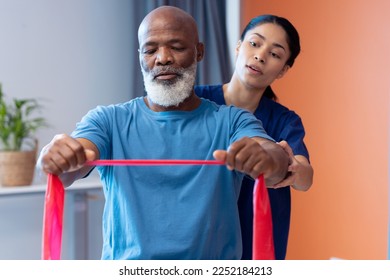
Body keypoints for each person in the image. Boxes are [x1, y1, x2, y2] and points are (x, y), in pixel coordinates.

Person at [37, 6, 289, 260]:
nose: (163, 58)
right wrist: (59, 156)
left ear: (199, 52)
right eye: (150, 50)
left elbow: (274, 162)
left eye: (177, 47)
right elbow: (71, 166)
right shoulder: (107, 120)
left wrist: (268, 157)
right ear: (140, 56)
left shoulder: (233, 120)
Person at [195, 14, 314, 260]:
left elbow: (305, 178)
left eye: (275, 54)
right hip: (202, 237)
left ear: (283, 69)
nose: (260, 55)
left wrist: (293, 167)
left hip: (257, 240)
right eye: (255, 43)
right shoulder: (195, 100)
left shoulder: (285, 120)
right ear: (238, 46)